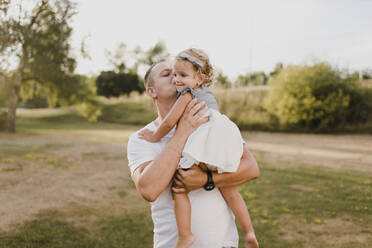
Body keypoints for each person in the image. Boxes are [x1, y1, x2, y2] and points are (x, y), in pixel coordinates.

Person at [127, 59, 260, 248]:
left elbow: (251, 168)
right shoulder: (142, 138)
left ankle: (249, 232)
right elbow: (149, 189)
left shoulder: (210, 124)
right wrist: (182, 132)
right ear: (152, 91)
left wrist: (206, 180)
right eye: (167, 74)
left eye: (178, 72)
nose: (175, 76)